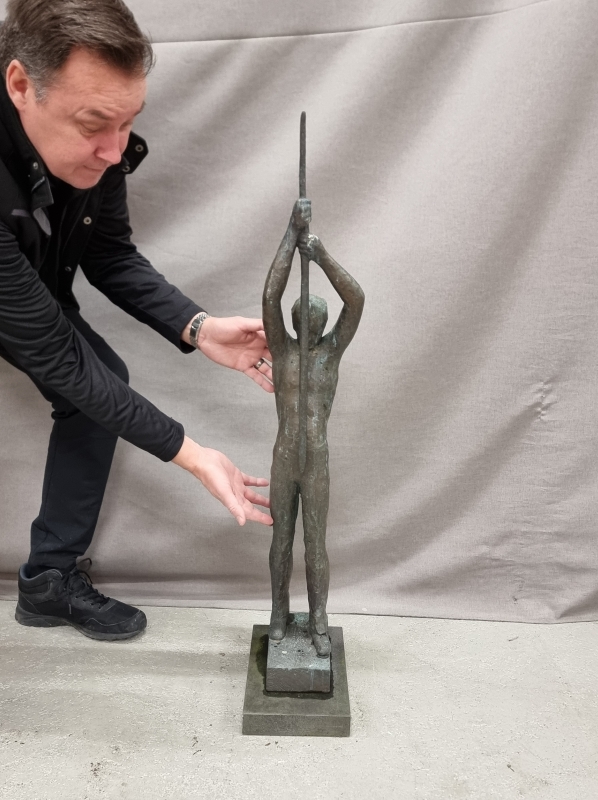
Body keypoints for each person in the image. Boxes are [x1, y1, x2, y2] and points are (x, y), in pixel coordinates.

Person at [0, 0, 274, 642]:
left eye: (128, 122)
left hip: (22, 289)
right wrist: (193, 454)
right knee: (88, 377)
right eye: (95, 124)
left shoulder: (100, 150)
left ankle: (48, 582)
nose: (114, 149)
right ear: (20, 85)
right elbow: (59, 358)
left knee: (102, 381)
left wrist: (199, 327)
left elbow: (110, 254)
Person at [262, 198, 364, 656]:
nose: (310, 324)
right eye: (303, 318)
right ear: (294, 322)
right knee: (281, 540)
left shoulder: (330, 354)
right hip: (285, 457)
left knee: (316, 544)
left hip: (316, 458)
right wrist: (290, 234)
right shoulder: (282, 351)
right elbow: (270, 296)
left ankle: (319, 617)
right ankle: (278, 612)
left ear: (323, 324)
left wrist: (320, 255)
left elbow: (356, 299)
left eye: (316, 319)